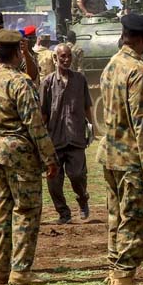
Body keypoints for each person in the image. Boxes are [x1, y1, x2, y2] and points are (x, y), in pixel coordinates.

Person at [0, 29, 58, 285]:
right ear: (17, 52)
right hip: (19, 154)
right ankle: (20, 272)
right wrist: (50, 157)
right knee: (26, 211)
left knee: (0, 213)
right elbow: (35, 123)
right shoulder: (20, 82)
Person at [98, 14, 143, 285]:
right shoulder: (137, 71)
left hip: (111, 156)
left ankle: (115, 271)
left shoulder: (112, 65)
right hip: (131, 160)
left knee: (116, 217)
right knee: (135, 220)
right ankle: (124, 278)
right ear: (142, 38)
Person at [40, 44, 93, 224]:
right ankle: (63, 213)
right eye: (62, 56)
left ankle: (83, 199)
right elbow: (43, 113)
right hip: (54, 137)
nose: (66, 59)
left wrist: (92, 127)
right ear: (55, 59)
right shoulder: (47, 82)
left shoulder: (80, 79)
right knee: (53, 179)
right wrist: (40, 138)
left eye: (69, 56)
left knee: (77, 175)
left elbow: (87, 105)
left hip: (76, 136)